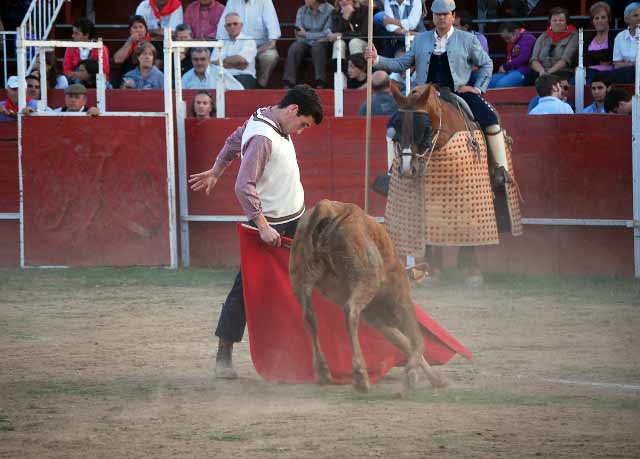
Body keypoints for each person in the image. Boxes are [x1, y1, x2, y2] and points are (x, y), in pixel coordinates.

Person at [188, 85, 324, 379]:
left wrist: (216, 169)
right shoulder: (264, 137)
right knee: (246, 290)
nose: (300, 131)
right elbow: (243, 185)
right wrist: (262, 225)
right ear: (293, 110)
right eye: (303, 124)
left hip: (297, 220)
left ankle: (315, 352)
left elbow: (233, 140)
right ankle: (224, 356)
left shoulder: (263, 118)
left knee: (313, 282)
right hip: (270, 226)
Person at [366, 0, 511, 187]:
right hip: (425, 95)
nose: (441, 18)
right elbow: (401, 64)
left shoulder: (467, 39)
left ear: (453, 16)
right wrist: (377, 58)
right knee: (394, 125)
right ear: (432, 17)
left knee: (490, 119)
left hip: (458, 91)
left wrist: (478, 88)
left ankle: (500, 169)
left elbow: (486, 64)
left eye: (445, 14)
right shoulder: (421, 39)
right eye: (437, 15)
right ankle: (391, 174)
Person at [216, 0, 281, 88]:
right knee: (220, 55)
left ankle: (261, 85)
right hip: (237, 45)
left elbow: (273, 35)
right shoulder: (232, 1)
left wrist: (252, 52)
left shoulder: (265, 1)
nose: (232, 26)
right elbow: (221, 32)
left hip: (261, 47)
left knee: (270, 56)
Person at [283, 0, 334, 89]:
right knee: (295, 47)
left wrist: (307, 34)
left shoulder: (330, 10)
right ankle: (289, 82)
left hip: (323, 44)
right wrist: (314, 36)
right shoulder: (301, 10)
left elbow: (327, 33)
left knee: (317, 47)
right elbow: (298, 32)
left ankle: (320, 82)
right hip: (305, 42)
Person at [212, 13, 258, 89]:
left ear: (241, 25)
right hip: (223, 76)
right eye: (229, 25)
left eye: (235, 24)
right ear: (225, 27)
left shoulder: (249, 40)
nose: (232, 27)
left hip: (243, 76)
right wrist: (236, 64)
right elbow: (212, 64)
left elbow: (242, 60)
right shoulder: (220, 42)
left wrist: (222, 61)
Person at [529, 7, 578, 77]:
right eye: (554, 20)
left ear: (566, 22)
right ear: (550, 22)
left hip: (562, 72)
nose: (557, 22)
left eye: (561, 20)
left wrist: (549, 72)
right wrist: (541, 71)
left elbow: (566, 60)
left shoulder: (573, 35)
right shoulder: (544, 36)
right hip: (541, 73)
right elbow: (533, 60)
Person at [488, 22, 535, 88]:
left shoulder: (528, 38)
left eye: (508, 38)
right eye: (504, 39)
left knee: (501, 85)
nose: (507, 41)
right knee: (488, 83)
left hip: (524, 71)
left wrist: (505, 67)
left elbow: (523, 58)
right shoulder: (513, 40)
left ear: (516, 32)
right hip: (511, 70)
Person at [63, 17, 110, 82]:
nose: (72, 36)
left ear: (86, 35)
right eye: (73, 33)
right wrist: (77, 75)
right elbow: (66, 70)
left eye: (76, 33)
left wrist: (87, 76)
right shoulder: (71, 48)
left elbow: (105, 72)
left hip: (95, 81)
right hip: (75, 81)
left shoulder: (100, 48)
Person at [112, 15, 156, 80]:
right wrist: (130, 42)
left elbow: (156, 63)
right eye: (135, 27)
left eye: (141, 27)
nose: (138, 30)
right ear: (130, 31)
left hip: (149, 77)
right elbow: (117, 60)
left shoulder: (153, 43)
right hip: (128, 77)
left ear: (146, 30)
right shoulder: (125, 43)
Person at [583, 2, 616, 83]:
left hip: (607, 75)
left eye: (603, 17)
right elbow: (583, 60)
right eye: (596, 18)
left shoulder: (615, 37)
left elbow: (611, 55)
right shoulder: (588, 40)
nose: (600, 21)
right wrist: (600, 60)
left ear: (609, 19)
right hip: (588, 73)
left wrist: (591, 56)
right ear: (592, 21)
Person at [328, 0, 368, 65]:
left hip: (363, 41)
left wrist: (343, 35)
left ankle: (357, 70)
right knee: (338, 43)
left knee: (354, 42)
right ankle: (339, 72)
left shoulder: (364, 10)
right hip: (346, 41)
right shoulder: (335, 12)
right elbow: (335, 33)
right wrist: (345, 18)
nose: (344, 1)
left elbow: (363, 34)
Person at [611, 2, 640, 84]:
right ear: (626, 19)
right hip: (625, 73)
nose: (639, 18)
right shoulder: (620, 37)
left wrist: (627, 63)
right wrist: (633, 64)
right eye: (635, 15)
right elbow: (617, 65)